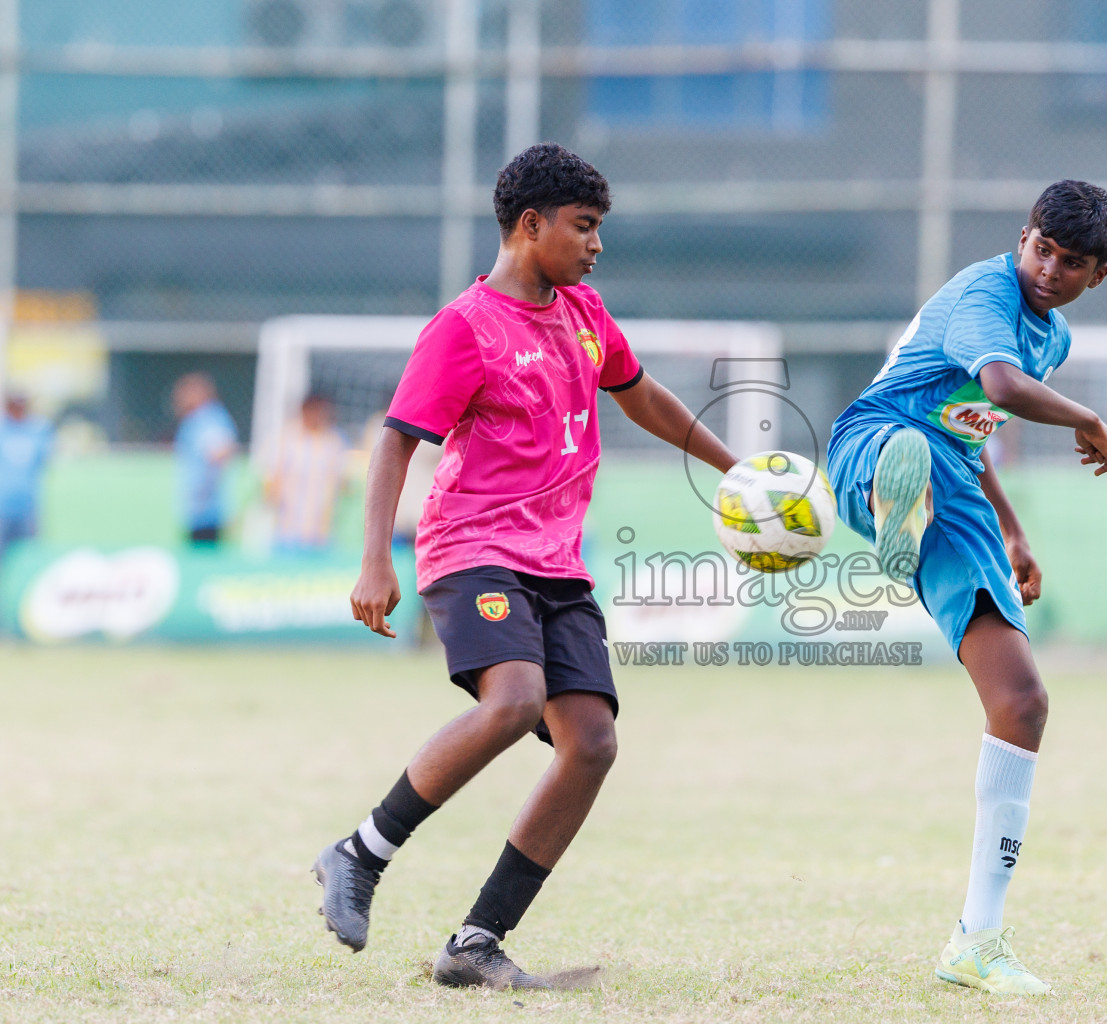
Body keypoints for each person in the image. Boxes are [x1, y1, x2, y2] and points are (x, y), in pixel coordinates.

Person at [318, 143, 737, 990]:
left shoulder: (585, 313)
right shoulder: (465, 328)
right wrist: (373, 559)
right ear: (530, 225)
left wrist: (737, 469)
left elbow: (641, 393)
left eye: (599, 229)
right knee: (511, 703)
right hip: (472, 549)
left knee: (591, 744)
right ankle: (359, 853)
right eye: (584, 227)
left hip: (557, 564)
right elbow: (397, 438)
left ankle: (476, 943)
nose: (595, 244)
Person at [827, 180, 1107, 996]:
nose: (1050, 270)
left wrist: (1013, 527)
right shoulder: (986, 293)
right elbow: (996, 387)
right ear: (1022, 236)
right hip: (869, 441)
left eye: (1072, 263)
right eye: (1042, 249)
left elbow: (972, 425)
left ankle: (976, 939)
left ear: (1097, 277)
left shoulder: (1049, 335)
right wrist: (1087, 419)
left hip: (952, 483)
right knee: (905, 448)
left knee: (1021, 701)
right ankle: (897, 499)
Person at [265, 394, 349, 552]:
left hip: (321, 531)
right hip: (288, 528)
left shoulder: (333, 442)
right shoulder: (287, 439)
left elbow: (342, 481)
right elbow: (272, 479)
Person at [171, 373, 238, 546]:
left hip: (207, 510)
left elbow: (219, 452)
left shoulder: (207, 419)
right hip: (198, 509)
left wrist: (204, 490)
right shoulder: (194, 420)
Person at [0, 392, 53, 560]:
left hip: (27, 506)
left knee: (28, 557)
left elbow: (42, 461)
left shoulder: (39, 430)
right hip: (2, 506)